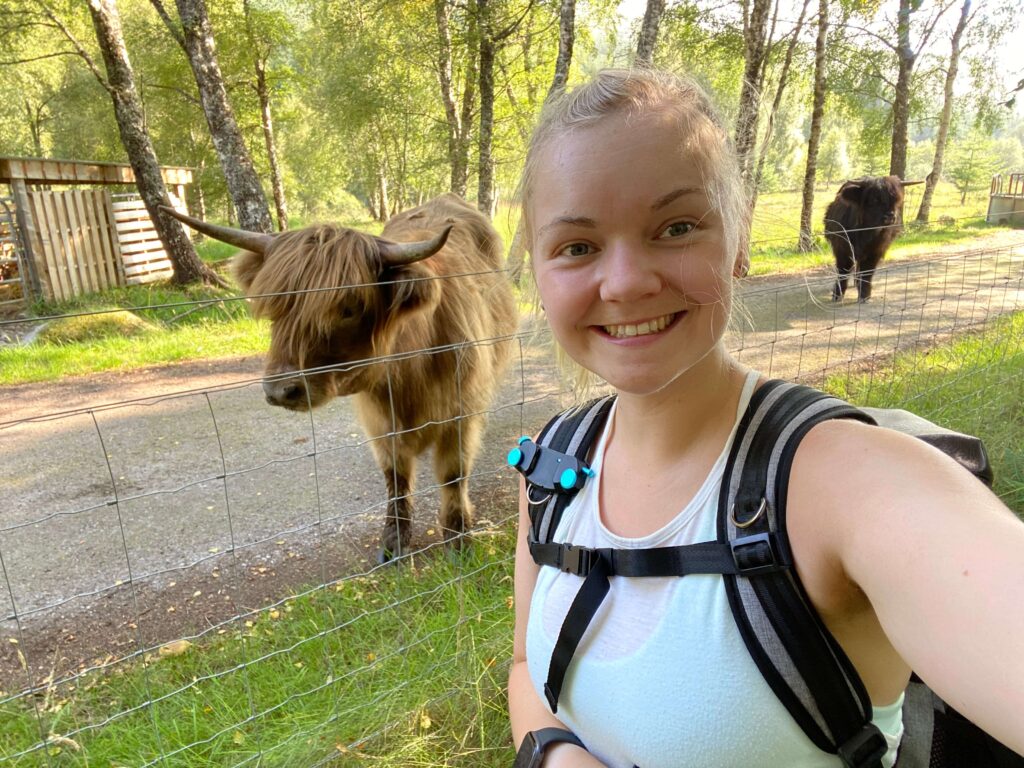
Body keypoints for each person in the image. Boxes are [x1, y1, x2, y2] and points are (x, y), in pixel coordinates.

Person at [507, 68, 1024, 768]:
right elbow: (524, 669)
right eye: (577, 246)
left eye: (677, 227)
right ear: (537, 274)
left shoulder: (841, 483)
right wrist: (558, 757)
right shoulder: (551, 466)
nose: (626, 282)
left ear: (739, 239)